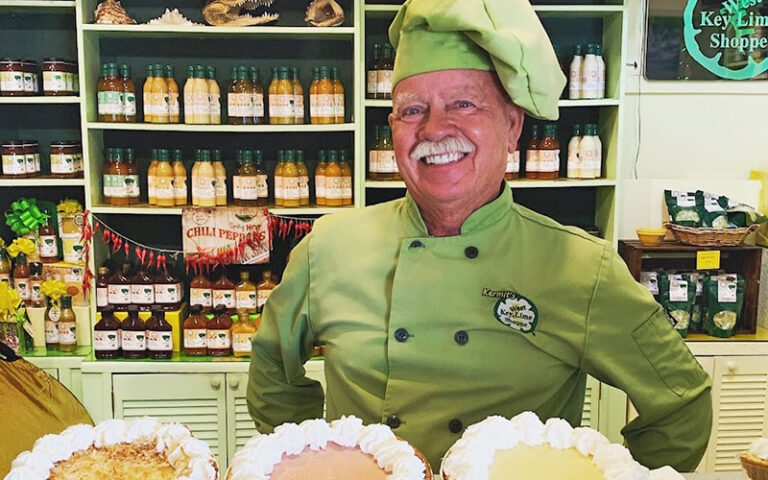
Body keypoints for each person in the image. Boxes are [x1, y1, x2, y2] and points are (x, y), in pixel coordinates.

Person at [247, 0, 712, 471]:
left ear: (512, 126)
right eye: (412, 110)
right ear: (392, 130)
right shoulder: (329, 247)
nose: (434, 129)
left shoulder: (581, 267)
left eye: (463, 103)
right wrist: (308, 461)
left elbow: (683, 407)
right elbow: (271, 372)